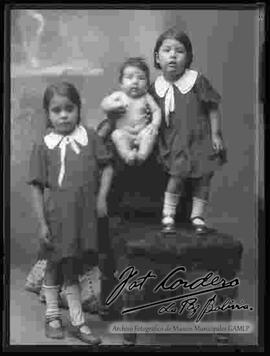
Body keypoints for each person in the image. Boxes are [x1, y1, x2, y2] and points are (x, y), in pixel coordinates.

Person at [27, 81, 114, 344]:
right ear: (48, 114)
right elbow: (36, 188)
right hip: (56, 219)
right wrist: (42, 224)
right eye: (56, 110)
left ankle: (76, 323)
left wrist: (101, 199)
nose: (63, 115)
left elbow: (108, 167)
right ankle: (55, 317)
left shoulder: (89, 136)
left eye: (69, 108)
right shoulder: (43, 144)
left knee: (73, 267)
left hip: (83, 218)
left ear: (78, 109)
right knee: (54, 266)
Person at [149, 28, 227, 234]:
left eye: (179, 51)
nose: (173, 55)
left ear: (189, 57)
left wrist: (216, 134)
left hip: (200, 138)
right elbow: (145, 112)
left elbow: (212, 107)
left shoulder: (196, 80)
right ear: (158, 57)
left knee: (203, 177)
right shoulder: (155, 86)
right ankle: (168, 214)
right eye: (167, 50)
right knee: (177, 176)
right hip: (174, 141)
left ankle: (198, 215)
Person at [99, 57, 161, 165]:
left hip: (142, 133)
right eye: (129, 77)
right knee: (117, 135)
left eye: (141, 78)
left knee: (150, 135)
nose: (135, 82)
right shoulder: (119, 96)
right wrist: (113, 106)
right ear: (121, 83)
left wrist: (154, 125)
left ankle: (142, 155)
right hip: (125, 133)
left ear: (147, 84)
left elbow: (156, 110)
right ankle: (127, 155)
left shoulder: (146, 97)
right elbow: (104, 104)